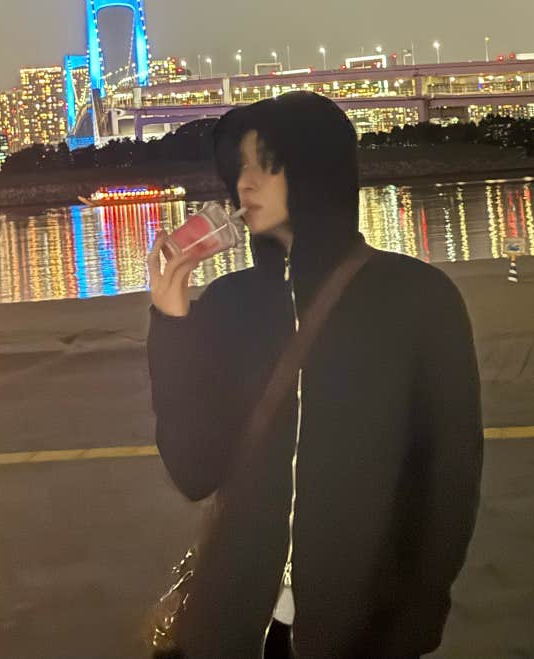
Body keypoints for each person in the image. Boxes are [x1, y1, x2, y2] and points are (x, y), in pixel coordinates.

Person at [147, 91, 483, 659]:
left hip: (362, 629)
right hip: (232, 626)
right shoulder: (229, 303)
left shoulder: (418, 298)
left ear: (318, 170)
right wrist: (172, 321)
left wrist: (414, 621)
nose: (245, 184)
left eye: (268, 165)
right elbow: (193, 470)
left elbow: (449, 478)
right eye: (239, 168)